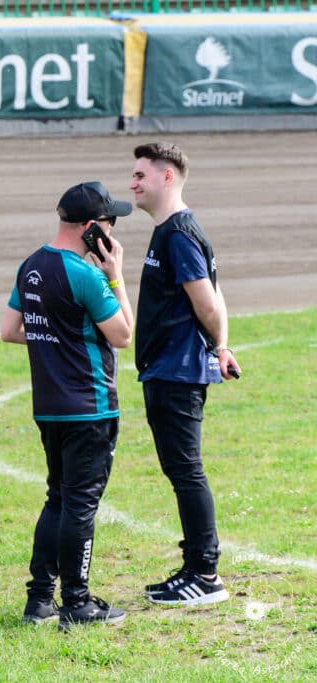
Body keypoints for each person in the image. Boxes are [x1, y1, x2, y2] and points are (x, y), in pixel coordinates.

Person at [0, 181, 134, 629]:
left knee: (57, 498)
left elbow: (10, 331)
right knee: (80, 506)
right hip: (90, 408)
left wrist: (56, 338)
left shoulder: (30, 265)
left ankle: (40, 599)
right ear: (93, 227)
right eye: (111, 224)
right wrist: (116, 275)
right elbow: (124, 334)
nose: (113, 234)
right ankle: (77, 602)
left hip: (49, 406)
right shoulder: (87, 275)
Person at [130, 142, 239, 606]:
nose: (133, 183)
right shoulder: (175, 231)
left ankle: (205, 574)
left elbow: (207, 302)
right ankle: (195, 567)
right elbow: (215, 293)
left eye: (141, 175)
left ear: (167, 176)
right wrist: (222, 346)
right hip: (169, 368)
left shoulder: (178, 234)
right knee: (182, 470)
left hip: (176, 372)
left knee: (186, 471)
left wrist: (219, 345)